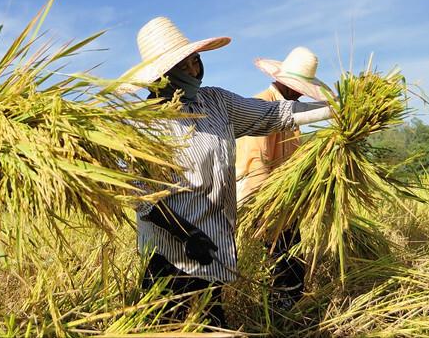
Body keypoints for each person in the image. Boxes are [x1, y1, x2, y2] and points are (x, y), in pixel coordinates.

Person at [119, 17, 331, 327]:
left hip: (214, 246)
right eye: (184, 65)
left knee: (213, 323)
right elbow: (144, 196)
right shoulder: (141, 125)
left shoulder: (218, 102)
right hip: (169, 253)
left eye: (196, 61)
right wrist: (187, 235)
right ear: (162, 75)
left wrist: (335, 108)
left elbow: (274, 113)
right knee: (165, 326)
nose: (194, 71)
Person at [235, 46, 329, 308]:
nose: (300, 92)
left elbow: (292, 162)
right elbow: (257, 165)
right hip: (263, 203)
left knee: (293, 264)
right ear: (284, 82)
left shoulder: (291, 113)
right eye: (297, 86)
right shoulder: (262, 106)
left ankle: (290, 313)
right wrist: (265, 213)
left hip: (284, 203)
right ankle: (278, 317)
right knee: (278, 266)